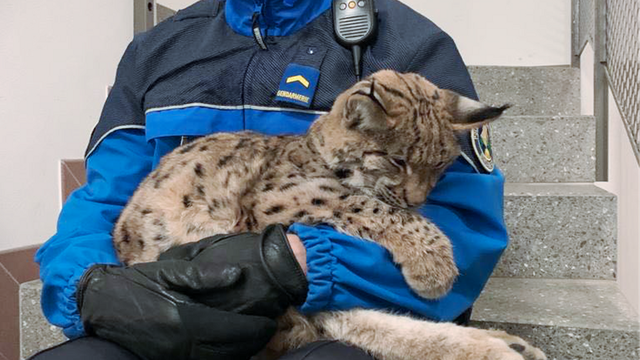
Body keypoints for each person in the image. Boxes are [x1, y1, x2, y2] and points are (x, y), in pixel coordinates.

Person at [33, 0, 508, 359]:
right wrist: (89, 288)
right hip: (163, 300)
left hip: (322, 309)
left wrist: (299, 264)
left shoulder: (410, 44)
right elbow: (100, 200)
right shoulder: (156, 50)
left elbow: (466, 227)